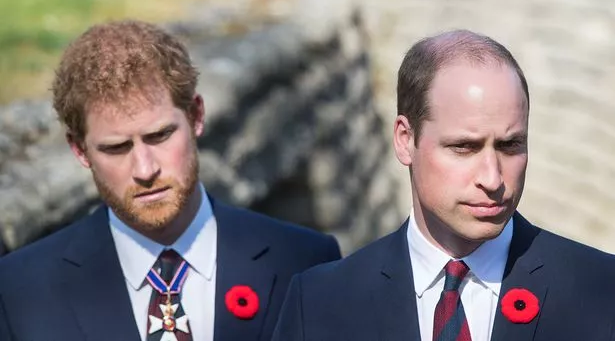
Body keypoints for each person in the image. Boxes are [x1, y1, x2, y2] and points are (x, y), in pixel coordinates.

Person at [0, 20, 340, 341]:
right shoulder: (22, 290)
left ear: (196, 116)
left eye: (160, 135)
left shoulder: (305, 261)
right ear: (79, 149)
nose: (145, 170)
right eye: (116, 148)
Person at [272, 29, 615, 341]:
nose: (493, 179)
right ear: (405, 140)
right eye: (464, 148)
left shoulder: (601, 290)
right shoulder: (319, 302)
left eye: (510, 146)